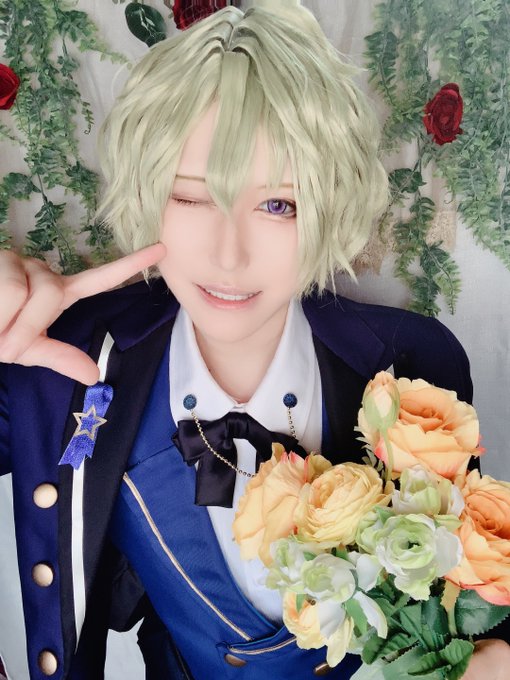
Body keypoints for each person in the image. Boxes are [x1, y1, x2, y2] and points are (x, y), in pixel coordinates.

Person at [0, 2, 508, 678]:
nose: (228, 255)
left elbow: (469, 581)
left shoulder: (413, 360)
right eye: (190, 197)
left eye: (278, 204)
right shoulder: (59, 360)